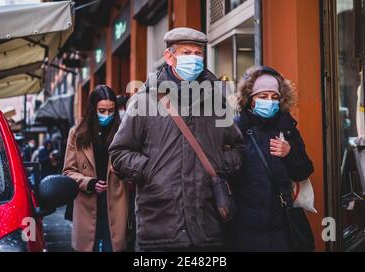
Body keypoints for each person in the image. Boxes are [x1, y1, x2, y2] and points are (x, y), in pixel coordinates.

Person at [109, 27, 245, 252]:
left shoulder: (216, 100)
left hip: (208, 227)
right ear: (169, 57)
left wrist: (220, 164)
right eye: (186, 53)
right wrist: (151, 170)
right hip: (160, 228)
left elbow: (238, 148)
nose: (194, 59)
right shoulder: (145, 100)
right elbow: (119, 152)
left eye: (198, 53)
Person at [228, 66, 314, 251]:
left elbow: (304, 171)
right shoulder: (237, 128)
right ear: (250, 99)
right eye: (263, 96)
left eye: (274, 97)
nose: (269, 101)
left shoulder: (287, 127)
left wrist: (289, 153)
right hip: (245, 227)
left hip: (281, 225)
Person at [63, 85, 129, 252]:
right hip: (87, 202)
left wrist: (123, 168)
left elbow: (133, 163)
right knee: (87, 246)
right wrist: (89, 183)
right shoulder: (77, 134)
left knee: (114, 246)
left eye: (111, 110)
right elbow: (68, 172)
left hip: (116, 200)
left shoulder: (124, 131)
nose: (107, 115)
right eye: (102, 110)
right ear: (93, 110)